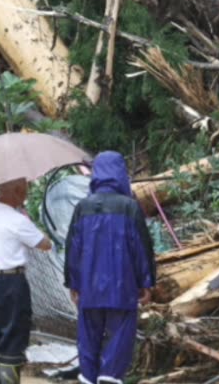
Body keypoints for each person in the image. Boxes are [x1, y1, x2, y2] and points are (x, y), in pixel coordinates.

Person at [64, 151, 156, 384]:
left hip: (89, 288)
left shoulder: (83, 207)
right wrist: (146, 282)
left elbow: (73, 249)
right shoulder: (129, 207)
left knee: (88, 336)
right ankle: (110, 376)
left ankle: (88, 376)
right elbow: (142, 247)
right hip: (122, 286)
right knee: (121, 334)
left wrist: (73, 283)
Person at [0, 177, 51, 384]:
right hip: (12, 282)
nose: (26, 195)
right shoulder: (17, 220)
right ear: (17, 191)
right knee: (14, 332)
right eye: (25, 190)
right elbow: (45, 244)